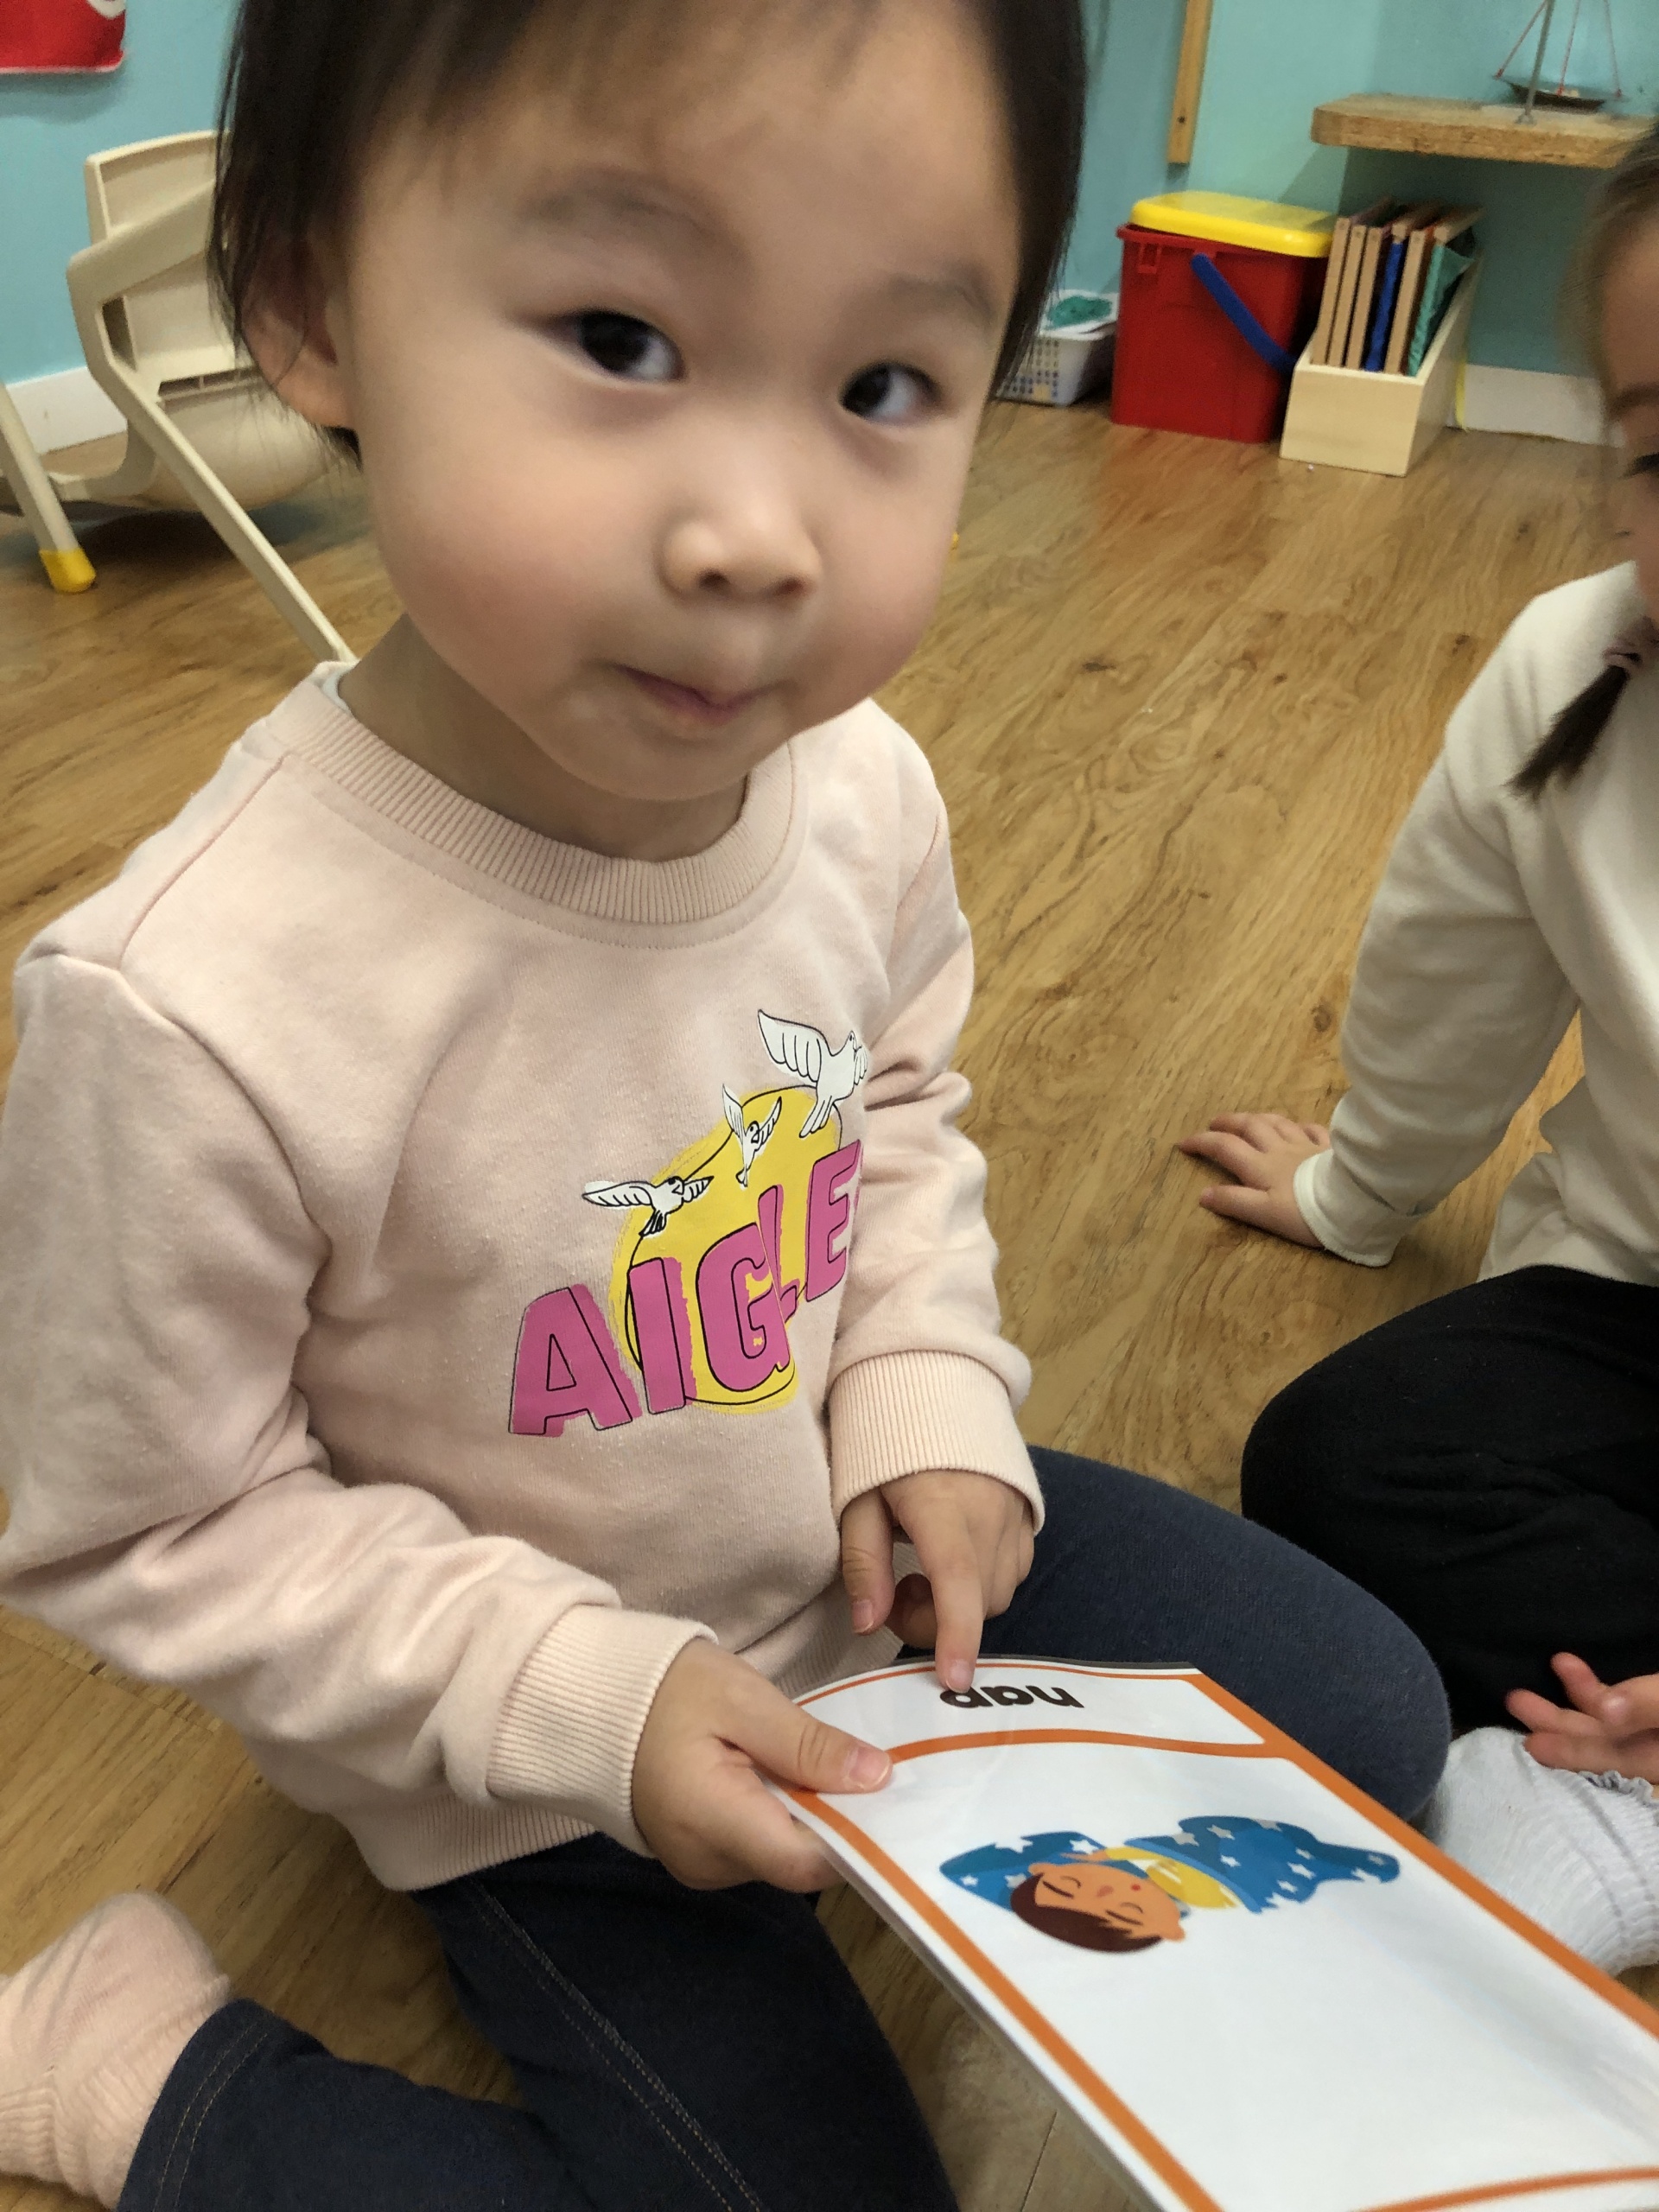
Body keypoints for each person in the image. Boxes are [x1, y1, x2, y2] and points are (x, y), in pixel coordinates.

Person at [0, 3, 1446, 2206]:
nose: (761, 535)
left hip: (850, 1549)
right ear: (307, 306)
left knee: (1369, 1714)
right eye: (622, 335)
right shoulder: (193, 997)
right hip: (524, 1731)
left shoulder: (857, 788)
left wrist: (924, 1387)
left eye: (884, 385)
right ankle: (150, 2073)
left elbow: (890, 1103)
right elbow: (139, 1521)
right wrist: (582, 1694)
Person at [1179, 129, 1659, 1980]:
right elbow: (1451, 978)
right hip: (1631, 1304)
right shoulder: (1572, 669)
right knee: (1338, 1453)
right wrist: (1356, 1188)